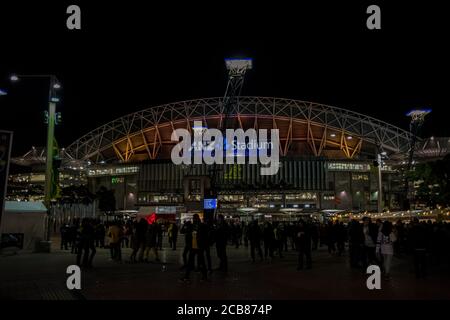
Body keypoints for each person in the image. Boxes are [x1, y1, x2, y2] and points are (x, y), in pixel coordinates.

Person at [181, 214, 208, 281]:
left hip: (199, 247)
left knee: (201, 262)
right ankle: (187, 276)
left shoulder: (202, 226)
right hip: (193, 247)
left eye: (194, 218)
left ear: (197, 219)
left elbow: (206, 236)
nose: (193, 219)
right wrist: (185, 225)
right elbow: (182, 231)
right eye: (193, 218)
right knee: (192, 262)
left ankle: (204, 276)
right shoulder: (192, 226)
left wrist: (204, 245)